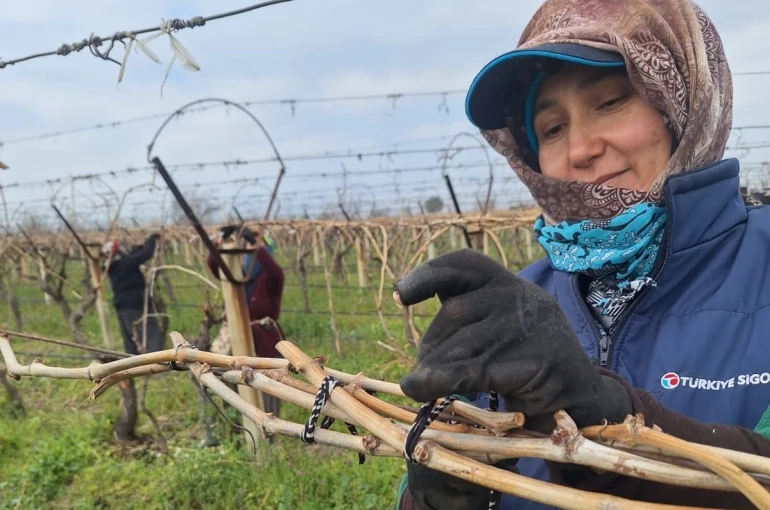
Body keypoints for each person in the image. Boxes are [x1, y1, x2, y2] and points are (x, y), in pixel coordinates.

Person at [395, 1, 770, 509]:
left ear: (683, 100)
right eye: (551, 129)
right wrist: (439, 495)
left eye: (611, 101)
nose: (579, 149)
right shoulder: (514, 312)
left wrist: (608, 420)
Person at [207, 227, 285, 416]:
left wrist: (257, 248)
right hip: (236, 340)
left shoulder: (269, 282)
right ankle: (239, 422)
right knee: (233, 381)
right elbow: (214, 265)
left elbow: (276, 272)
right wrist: (218, 244)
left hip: (264, 342)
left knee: (267, 386)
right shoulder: (237, 278)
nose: (250, 257)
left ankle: (269, 432)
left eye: (256, 253)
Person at [101, 233, 165, 355]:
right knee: (151, 333)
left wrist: (140, 246)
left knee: (130, 337)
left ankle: (131, 364)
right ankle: (159, 362)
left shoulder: (111, 267)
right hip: (136, 305)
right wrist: (152, 238)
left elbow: (133, 256)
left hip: (121, 305)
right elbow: (146, 254)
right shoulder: (125, 264)